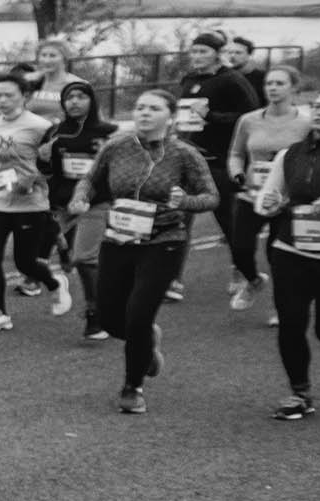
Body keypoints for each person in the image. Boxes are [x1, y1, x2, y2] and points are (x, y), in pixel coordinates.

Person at [79, 91, 218, 416]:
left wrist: (185, 201)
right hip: (119, 239)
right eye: (140, 107)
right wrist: (81, 198)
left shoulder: (185, 154)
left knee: (139, 314)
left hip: (163, 241)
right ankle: (146, 340)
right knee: (112, 319)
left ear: (169, 116)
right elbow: (90, 179)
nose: (144, 113)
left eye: (154, 108)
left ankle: (133, 387)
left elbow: (211, 197)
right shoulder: (116, 146)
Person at [250, 80, 320, 420]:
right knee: (291, 323)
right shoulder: (290, 154)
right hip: (290, 250)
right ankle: (299, 393)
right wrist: (268, 203)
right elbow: (266, 200)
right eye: (319, 107)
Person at [171, 33, 260, 297]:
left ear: (217, 54)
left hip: (219, 160)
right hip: (188, 158)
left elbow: (249, 117)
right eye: (194, 51)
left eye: (203, 52)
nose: (196, 57)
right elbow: (185, 114)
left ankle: (242, 268)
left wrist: (211, 116)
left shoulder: (231, 80)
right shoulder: (189, 80)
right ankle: (174, 279)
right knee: (178, 219)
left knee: (228, 221)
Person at [0, 75, 59, 332]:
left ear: (24, 96)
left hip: (30, 204)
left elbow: (53, 166)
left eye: (9, 95)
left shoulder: (41, 127)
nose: (2, 100)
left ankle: (54, 283)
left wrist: (31, 180)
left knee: (25, 263)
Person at [227, 68, 307, 313]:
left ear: (293, 88)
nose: (272, 87)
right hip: (251, 195)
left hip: (286, 198)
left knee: (279, 256)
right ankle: (254, 281)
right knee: (240, 249)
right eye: (269, 83)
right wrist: (238, 174)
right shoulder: (249, 120)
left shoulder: (306, 122)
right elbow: (236, 153)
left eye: (280, 83)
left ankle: (281, 306)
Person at [41, 81, 117, 337]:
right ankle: (61, 269)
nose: (74, 102)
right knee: (33, 257)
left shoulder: (109, 133)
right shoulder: (54, 132)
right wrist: (42, 158)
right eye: (69, 97)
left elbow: (118, 171)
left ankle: (96, 315)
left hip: (95, 203)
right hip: (60, 204)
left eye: (80, 96)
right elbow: (45, 170)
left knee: (85, 258)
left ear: (92, 101)